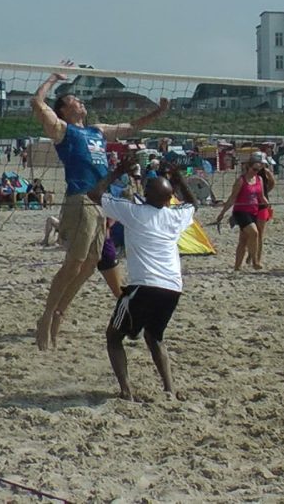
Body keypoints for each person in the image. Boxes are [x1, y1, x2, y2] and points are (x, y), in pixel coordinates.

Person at [32, 66, 170, 351]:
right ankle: (47, 317)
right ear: (64, 110)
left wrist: (158, 112)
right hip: (80, 199)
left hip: (102, 202)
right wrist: (53, 79)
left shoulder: (96, 131)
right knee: (74, 262)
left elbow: (131, 128)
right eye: (74, 100)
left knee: (91, 263)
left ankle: (59, 312)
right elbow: (37, 103)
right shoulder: (63, 130)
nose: (80, 102)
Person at [102, 172, 197, 401]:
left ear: (145, 195)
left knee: (114, 337)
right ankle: (169, 389)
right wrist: (180, 180)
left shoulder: (134, 212)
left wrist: (116, 172)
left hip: (144, 286)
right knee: (155, 337)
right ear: (170, 198)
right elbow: (194, 204)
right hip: (173, 288)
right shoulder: (175, 216)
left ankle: (126, 392)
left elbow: (95, 195)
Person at [212, 156, 268, 271]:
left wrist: (268, 205)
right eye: (254, 169)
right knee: (254, 233)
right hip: (241, 212)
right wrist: (222, 213)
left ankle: (237, 267)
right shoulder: (241, 181)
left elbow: (261, 196)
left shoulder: (259, 180)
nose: (256, 172)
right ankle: (255, 261)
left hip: (254, 211)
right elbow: (232, 198)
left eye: (258, 170)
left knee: (243, 240)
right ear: (248, 167)